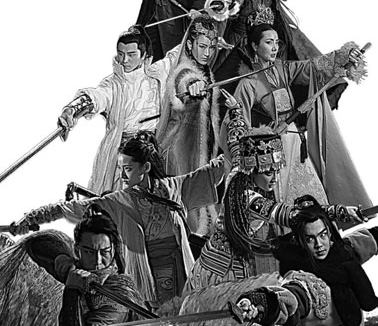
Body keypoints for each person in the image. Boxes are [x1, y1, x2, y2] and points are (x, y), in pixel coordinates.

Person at [9, 131, 226, 309]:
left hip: (184, 272)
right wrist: (32, 218)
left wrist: (237, 141)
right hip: (148, 279)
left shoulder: (175, 188)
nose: (122, 175)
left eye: (128, 169)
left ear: (146, 167)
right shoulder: (117, 201)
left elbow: (214, 171)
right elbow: (70, 208)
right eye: (121, 168)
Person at [184, 106, 362, 295]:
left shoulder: (238, 171)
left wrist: (236, 112)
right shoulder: (250, 200)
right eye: (269, 173)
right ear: (253, 170)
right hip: (222, 274)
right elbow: (294, 215)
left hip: (213, 261)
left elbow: (236, 141)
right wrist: (338, 212)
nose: (275, 179)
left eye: (277, 172)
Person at [220, 22, 372, 209]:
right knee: (282, 198)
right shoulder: (248, 83)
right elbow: (237, 120)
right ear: (254, 46)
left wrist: (342, 57)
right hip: (273, 147)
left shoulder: (283, 69)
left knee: (312, 192)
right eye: (268, 42)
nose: (274, 47)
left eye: (276, 42)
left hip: (296, 140)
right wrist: (260, 139)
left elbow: (313, 67)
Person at [58, 25, 179, 194]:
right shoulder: (114, 84)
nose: (125, 60)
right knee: (120, 198)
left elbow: (176, 55)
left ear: (144, 55)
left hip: (155, 150)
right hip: (126, 155)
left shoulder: (157, 74)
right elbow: (98, 96)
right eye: (121, 54)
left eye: (131, 54)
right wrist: (73, 109)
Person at [0, 207, 145, 326]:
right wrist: (61, 258)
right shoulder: (77, 266)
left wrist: (72, 291)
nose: (97, 260)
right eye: (89, 252)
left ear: (113, 250)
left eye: (104, 252)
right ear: (77, 250)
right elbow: (36, 243)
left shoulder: (119, 294)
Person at [269, 195, 378, 326]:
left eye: (323, 235)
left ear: (329, 233)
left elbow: (370, 239)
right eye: (309, 239)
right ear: (299, 241)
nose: (319, 244)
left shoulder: (342, 252)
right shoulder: (297, 272)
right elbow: (295, 296)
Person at [157, 16, 221, 236]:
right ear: (190, 44)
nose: (207, 53)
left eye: (211, 47)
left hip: (201, 151)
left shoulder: (207, 71)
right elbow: (184, 81)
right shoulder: (184, 70)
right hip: (182, 151)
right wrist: (194, 86)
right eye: (202, 46)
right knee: (187, 210)